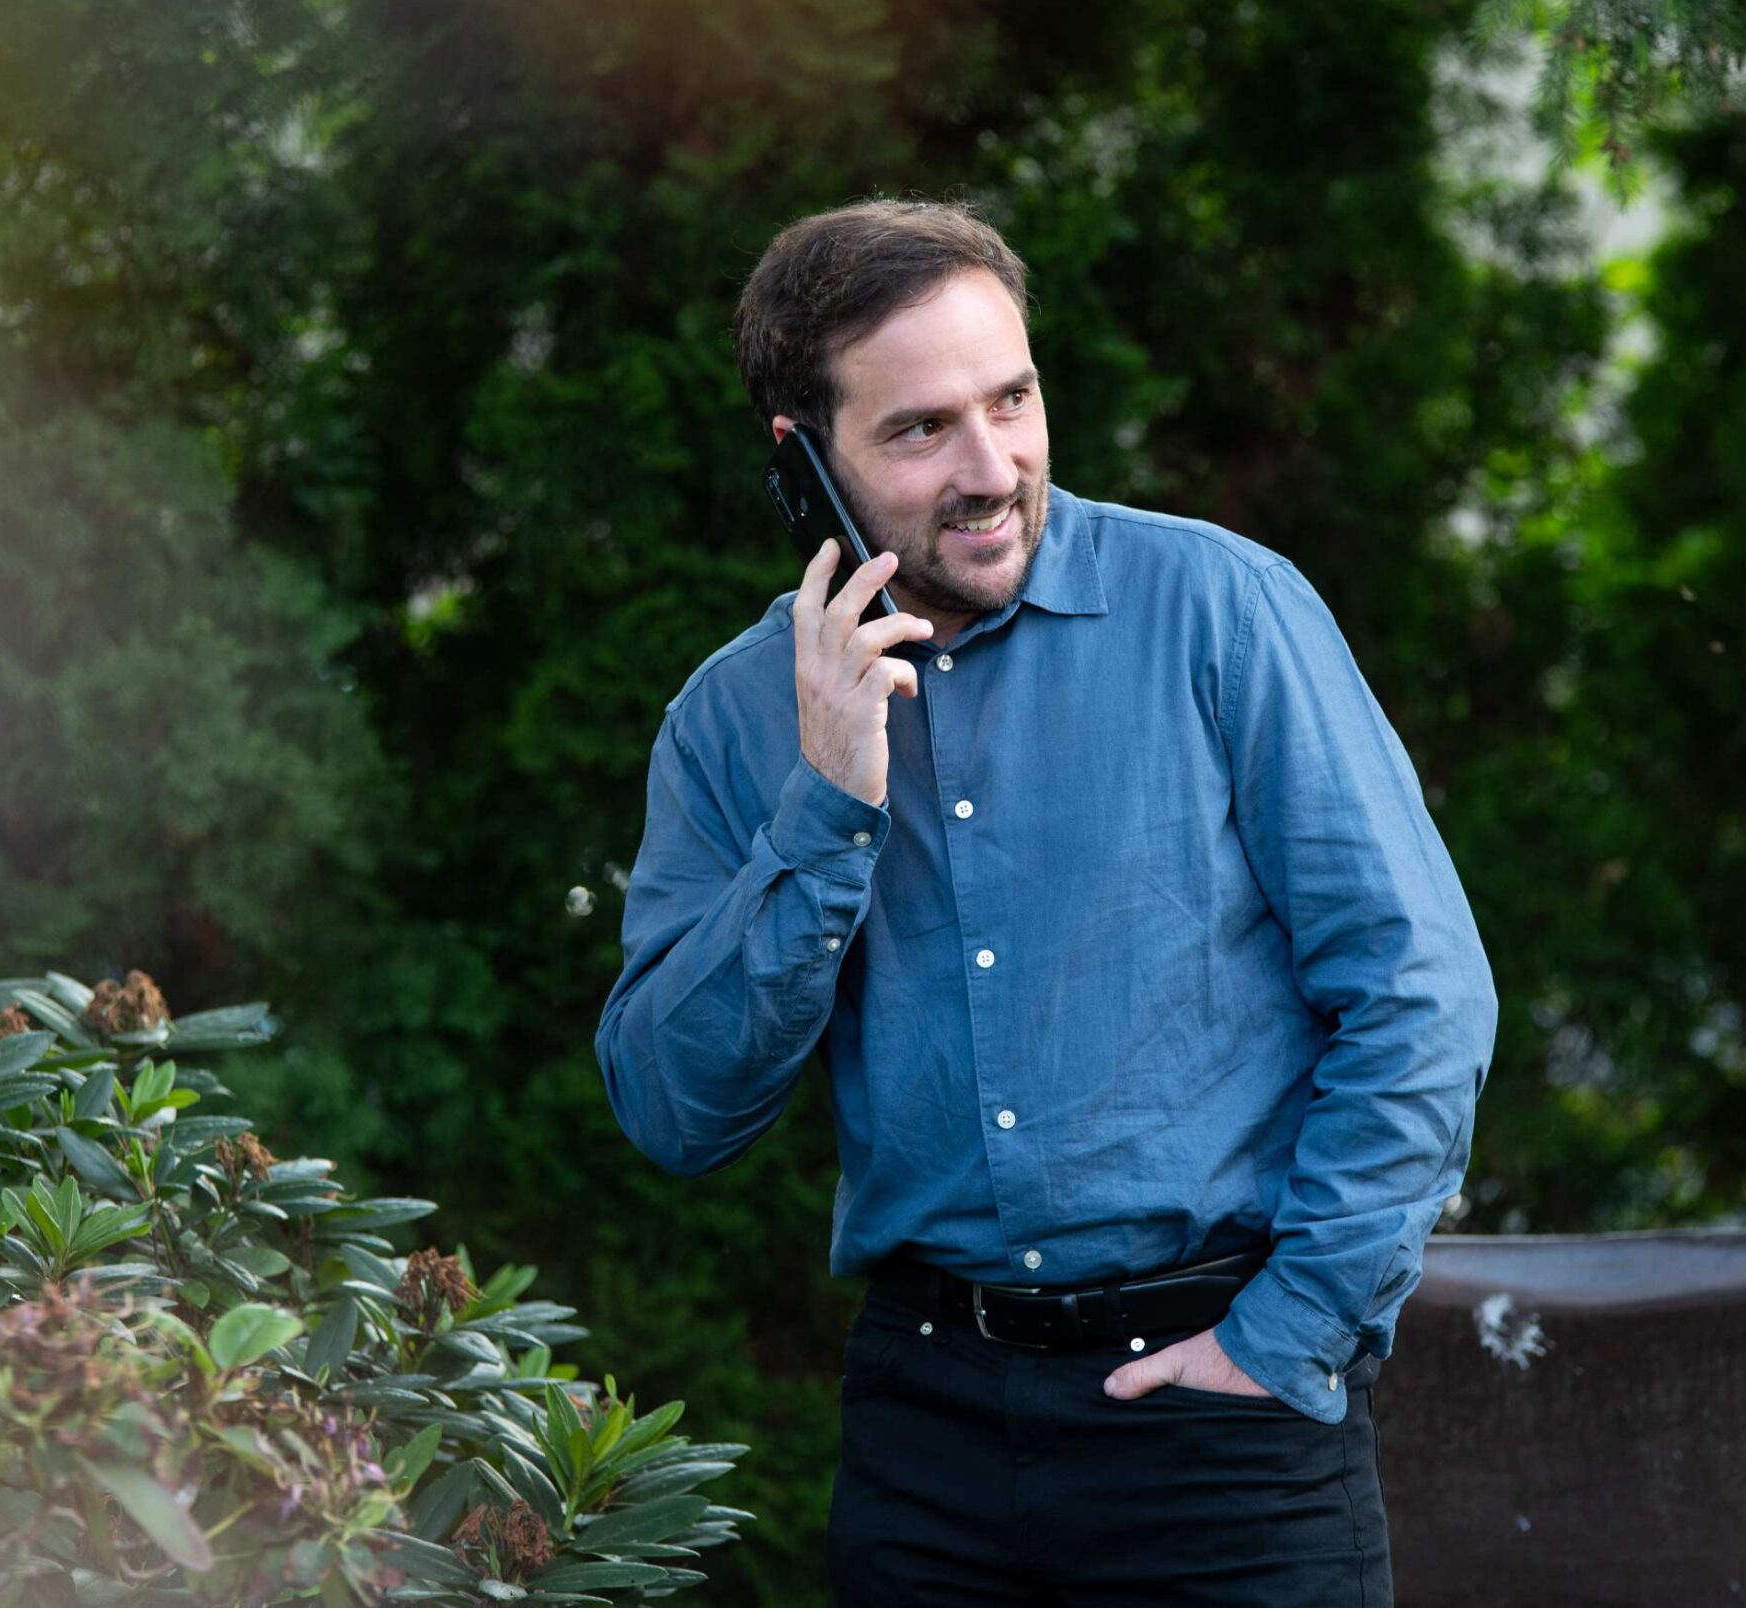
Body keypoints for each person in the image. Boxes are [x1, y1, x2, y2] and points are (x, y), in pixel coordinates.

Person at [594, 198, 1498, 1605]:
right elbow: (674, 1107)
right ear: (802, 462)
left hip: (1225, 1427)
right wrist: (824, 808)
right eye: (920, 431)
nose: (992, 467)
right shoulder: (733, 721)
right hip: (927, 1442)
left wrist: (1291, 1333)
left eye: (1011, 400)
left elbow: (1419, 996)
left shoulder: (1222, 611)